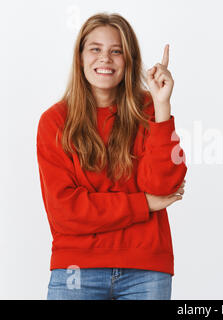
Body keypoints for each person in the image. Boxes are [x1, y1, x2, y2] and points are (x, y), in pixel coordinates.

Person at [36, 12, 187, 300]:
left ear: (128, 60)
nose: (105, 59)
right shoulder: (54, 121)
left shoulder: (150, 109)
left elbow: (164, 188)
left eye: (116, 51)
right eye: (95, 49)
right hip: (76, 269)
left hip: (146, 270)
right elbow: (66, 213)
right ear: (80, 57)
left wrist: (162, 105)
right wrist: (143, 204)